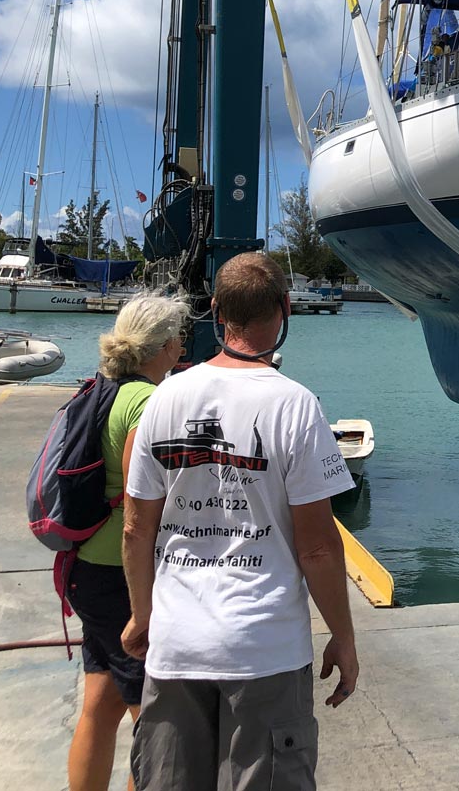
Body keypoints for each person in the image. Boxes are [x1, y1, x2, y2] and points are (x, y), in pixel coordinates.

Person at [121, 252, 358, 791]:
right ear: (285, 308)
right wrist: (343, 636)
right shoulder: (297, 406)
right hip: (265, 649)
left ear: (215, 311)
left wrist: (142, 615)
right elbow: (318, 548)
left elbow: (137, 529)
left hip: (177, 645)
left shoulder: (164, 399)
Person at [67, 293, 188, 791]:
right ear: (166, 346)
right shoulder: (146, 401)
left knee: (100, 701)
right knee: (155, 720)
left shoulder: (103, 388)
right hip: (122, 577)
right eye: (180, 334)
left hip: (88, 567)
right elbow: (143, 497)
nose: (184, 343)